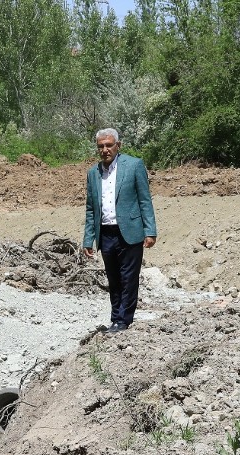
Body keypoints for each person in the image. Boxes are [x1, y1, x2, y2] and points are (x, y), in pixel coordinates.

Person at [82, 128, 157, 333]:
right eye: (101, 146)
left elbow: (144, 200)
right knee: (113, 279)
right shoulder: (93, 173)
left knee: (128, 278)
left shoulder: (133, 166)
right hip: (105, 233)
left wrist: (150, 230)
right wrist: (88, 238)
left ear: (118, 146)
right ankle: (115, 318)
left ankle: (124, 320)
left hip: (130, 231)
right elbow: (91, 208)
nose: (105, 150)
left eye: (109, 145)